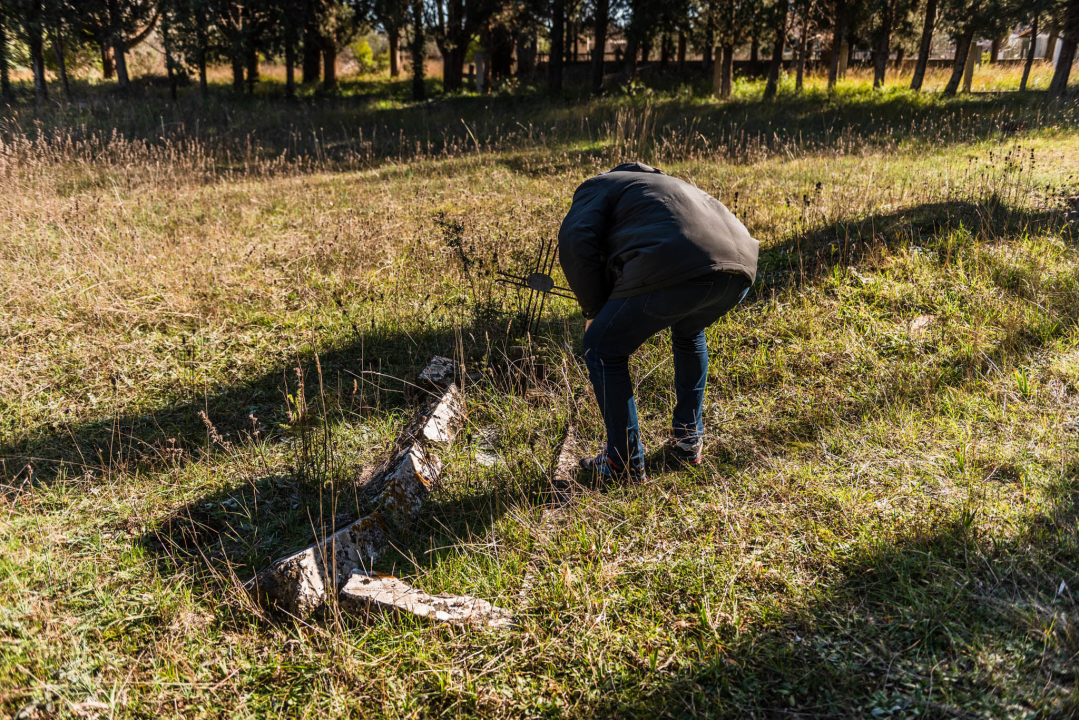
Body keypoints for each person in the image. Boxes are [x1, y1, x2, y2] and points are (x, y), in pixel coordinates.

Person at [558, 162, 759, 483]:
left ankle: (621, 462)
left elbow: (575, 238)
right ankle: (688, 439)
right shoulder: (669, 185)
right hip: (742, 267)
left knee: (602, 349)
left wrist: (593, 310)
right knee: (689, 331)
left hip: (679, 261)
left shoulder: (600, 184)